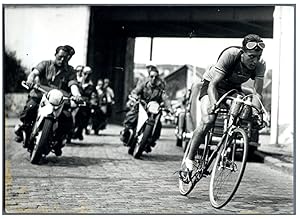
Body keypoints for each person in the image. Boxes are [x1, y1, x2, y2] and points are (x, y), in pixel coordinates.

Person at [182, 34, 266, 175]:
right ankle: (188, 161)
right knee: (208, 120)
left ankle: (223, 153)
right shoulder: (230, 55)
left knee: (242, 112)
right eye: (251, 56)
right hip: (212, 85)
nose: (254, 61)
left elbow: (257, 94)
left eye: (257, 57)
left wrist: (257, 112)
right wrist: (214, 104)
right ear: (242, 53)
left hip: (232, 89)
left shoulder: (260, 65)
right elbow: (213, 85)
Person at [14, 45, 82, 156]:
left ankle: (58, 141)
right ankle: (24, 129)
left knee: (67, 118)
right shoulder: (45, 64)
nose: (62, 59)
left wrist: (77, 95)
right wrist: (30, 80)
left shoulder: (70, 71)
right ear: (55, 55)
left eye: (66, 57)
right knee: (30, 108)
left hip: (59, 100)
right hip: (41, 95)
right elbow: (34, 73)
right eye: (60, 56)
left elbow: (73, 85)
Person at [120, 62, 173, 150]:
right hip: (142, 105)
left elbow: (165, 98)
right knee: (132, 116)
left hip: (153, 108)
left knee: (158, 125)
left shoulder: (160, 88)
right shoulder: (143, 84)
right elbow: (135, 91)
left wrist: (169, 107)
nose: (153, 79)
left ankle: (150, 141)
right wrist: (135, 97)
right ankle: (126, 133)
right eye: (151, 77)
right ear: (149, 76)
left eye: (155, 77)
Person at [72, 66, 95, 140]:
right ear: (82, 73)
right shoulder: (77, 83)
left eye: (89, 74)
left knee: (84, 117)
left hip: (85, 105)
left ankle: (79, 131)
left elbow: (93, 96)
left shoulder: (91, 86)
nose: (86, 76)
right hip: (76, 103)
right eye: (85, 74)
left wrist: (92, 101)